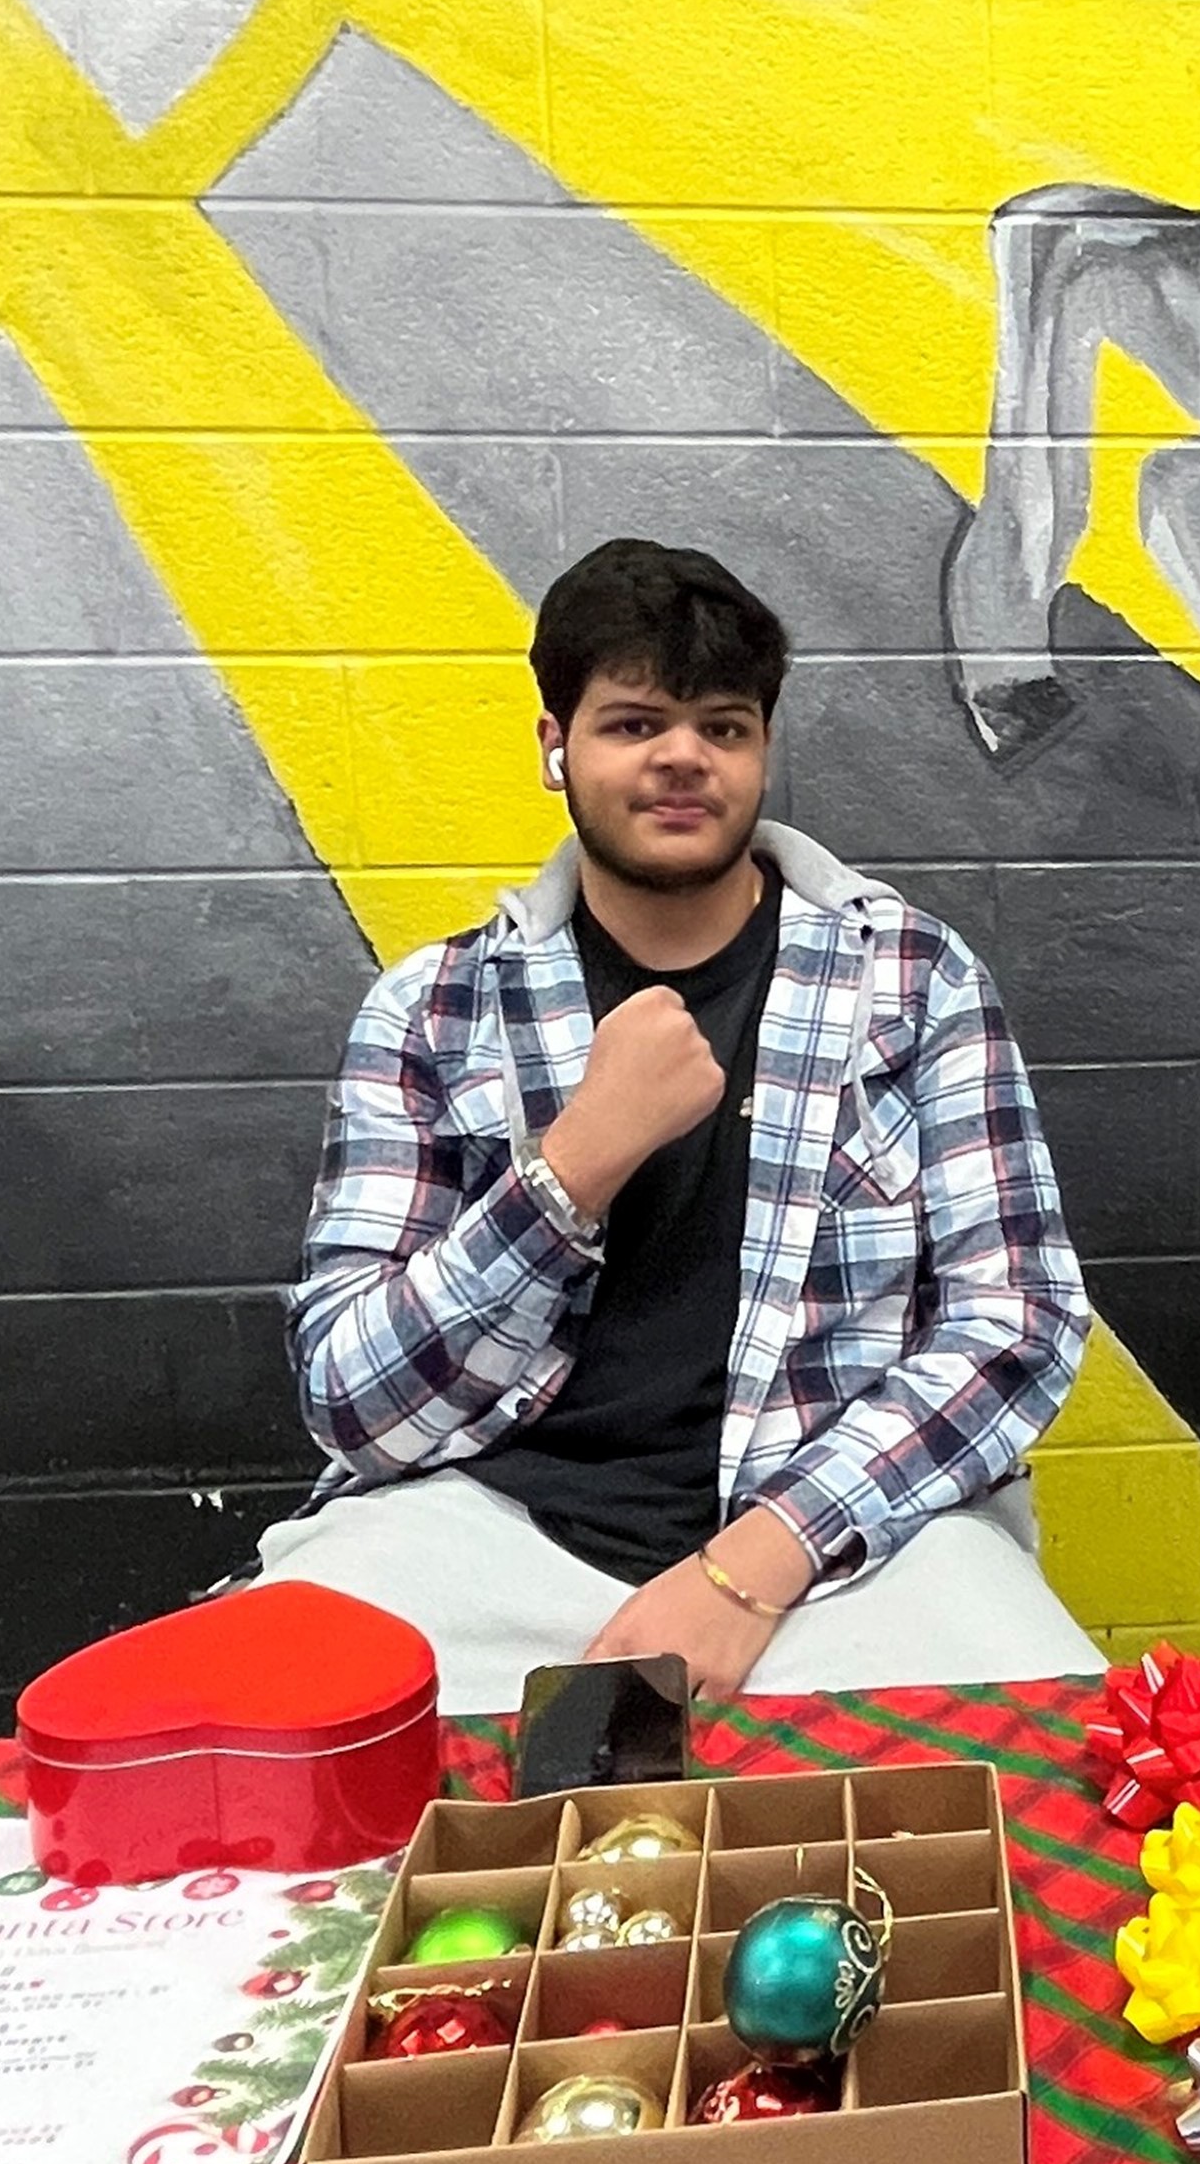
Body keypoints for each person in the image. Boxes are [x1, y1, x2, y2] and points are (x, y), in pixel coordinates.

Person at [262, 538, 1098, 1701]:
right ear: (556, 747)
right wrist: (569, 1169)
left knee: (1065, 1774)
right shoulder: (435, 1009)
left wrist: (752, 1567)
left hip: (844, 1551)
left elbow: (1019, 1323)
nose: (681, 759)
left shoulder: (910, 979)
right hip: (489, 1542)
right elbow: (355, 1410)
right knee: (267, 1758)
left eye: (723, 725)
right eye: (633, 722)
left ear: (761, 749)